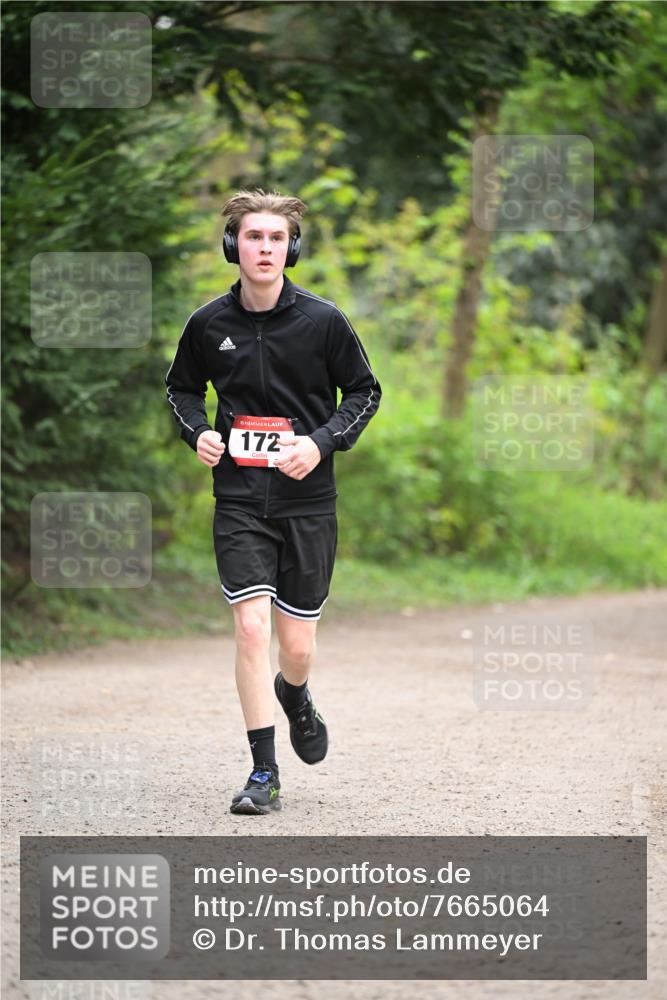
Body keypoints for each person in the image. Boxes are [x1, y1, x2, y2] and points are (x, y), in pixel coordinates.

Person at [165, 188, 381, 815]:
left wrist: (320, 443)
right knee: (251, 628)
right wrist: (199, 431)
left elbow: (363, 393)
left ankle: (299, 695)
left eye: (277, 239)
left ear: (292, 249)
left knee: (297, 647)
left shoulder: (323, 321)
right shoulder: (208, 324)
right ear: (234, 245)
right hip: (237, 500)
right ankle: (263, 773)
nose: (265, 248)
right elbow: (181, 389)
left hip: (309, 502)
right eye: (254, 237)